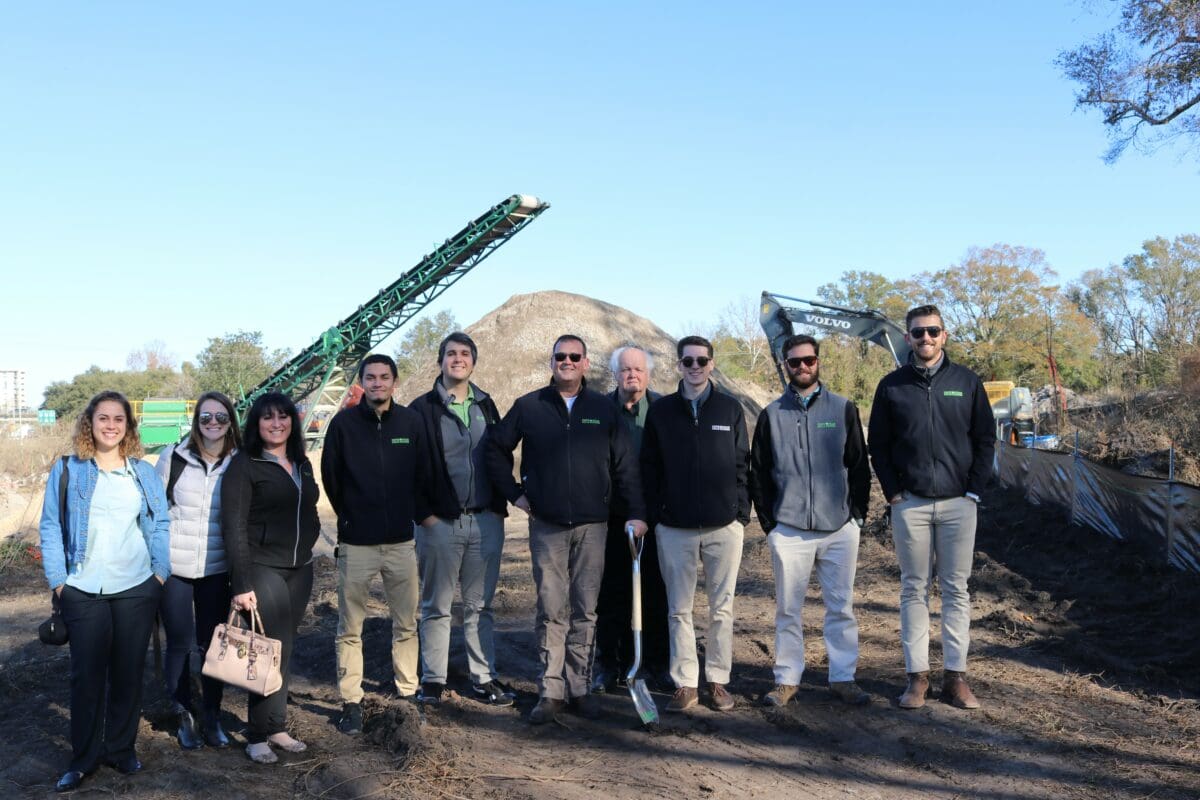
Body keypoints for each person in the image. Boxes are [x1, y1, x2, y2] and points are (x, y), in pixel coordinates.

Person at [486, 334, 647, 724]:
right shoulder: (529, 407)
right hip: (548, 526)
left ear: (586, 363)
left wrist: (635, 512)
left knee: (585, 610)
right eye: (561, 356)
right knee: (551, 608)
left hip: (594, 525)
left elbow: (625, 465)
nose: (568, 362)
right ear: (552, 362)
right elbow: (494, 449)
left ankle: (579, 687)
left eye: (575, 356)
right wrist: (515, 494)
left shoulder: (601, 410)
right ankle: (550, 689)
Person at [39, 391, 170, 793]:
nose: (111, 425)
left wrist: (159, 574)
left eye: (119, 419)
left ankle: (120, 749)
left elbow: (160, 522)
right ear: (90, 423)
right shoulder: (68, 469)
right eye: (103, 418)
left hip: (135, 586)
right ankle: (83, 759)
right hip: (82, 587)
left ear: (128, 426)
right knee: (86, 677)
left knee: (129, 672)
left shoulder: (142, 472)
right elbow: (49, 527)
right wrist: (60, 582)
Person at [868, 304, 995, 710]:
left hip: (960, 503)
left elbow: (985, 441)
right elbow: (879, 446)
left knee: (957, 590)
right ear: (907, 337)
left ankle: (955, 678)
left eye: (933, 331)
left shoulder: (967, 382)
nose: (926, 338)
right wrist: (893, 492)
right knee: (914, 589)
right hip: (912, 505)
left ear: (944, 335)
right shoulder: (891, 386)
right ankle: (916, 679)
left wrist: (973, 490)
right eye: (918, 333)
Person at [750, 335, 872, 708]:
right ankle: (786, 679)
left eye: (809, 360)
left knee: (841, 606)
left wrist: (857, 518)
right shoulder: (771, 415)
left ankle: (843, 677)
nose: (802, 367)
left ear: (818, 362)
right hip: (790, 531)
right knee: (789, 609)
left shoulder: (843, 408)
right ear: (784, 365)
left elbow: (858, 466)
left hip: (838, 528)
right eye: (794, 362)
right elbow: (759, 473)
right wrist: (772, 526)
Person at [641, 336, 750, 713]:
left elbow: (742, 466)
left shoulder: (730, 409)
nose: (695, 366)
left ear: (712, 364)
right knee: (679, 609)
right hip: (674, 529)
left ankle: (718, 680)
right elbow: (649, 469)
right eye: (687, 360)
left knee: (722, 609)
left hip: (724, 527)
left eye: (701, 360)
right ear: (678, 365)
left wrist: (741, 514)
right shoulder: (662, 412)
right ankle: (686, 682)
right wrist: (657, 515)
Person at [320, 354, 427, 735]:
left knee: (406, 624)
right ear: (362, 382)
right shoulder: (343, 425)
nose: (378, 383)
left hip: (401, 542)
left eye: (384, 377)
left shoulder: (411, 423)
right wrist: (349, 516)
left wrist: (410, 515)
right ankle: (351, 701)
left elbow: (422, 473)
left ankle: (408, 694)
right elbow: (330, 476)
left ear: (394, 382)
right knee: (350, 627)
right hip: (357, 543)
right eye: (371, 377)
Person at [409, 333, 514, 707]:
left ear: (473, 362)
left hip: (485, 520)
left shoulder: (486, 405)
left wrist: (511, 498)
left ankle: (484, 676)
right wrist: (425, 515)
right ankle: (433, 679)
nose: (458, 359)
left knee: (479, 606)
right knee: (436, 605)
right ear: (440, 361)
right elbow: (410, 468)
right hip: (440, 524)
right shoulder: (420, 409)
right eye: (451, 353)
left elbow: (499, 456)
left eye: (465, 354)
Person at [221, 392, 321, 762]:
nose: (276, 423)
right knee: (266, 651)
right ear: (256, 424)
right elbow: (233, 526)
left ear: (292, 422)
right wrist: (242, 583)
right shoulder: (244, 465)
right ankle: (257, 735)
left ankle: (277, 726)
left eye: (283, 417)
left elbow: (308, 509)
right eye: (267, 418)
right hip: (263, 568)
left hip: (300, 569)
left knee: (286, 648)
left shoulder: (301, 462)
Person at [155, 391, 241, 749]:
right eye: (206, 417)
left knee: (212, 645)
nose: (213, 424)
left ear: (230, 422)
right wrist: (156, 565)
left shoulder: (239, 462)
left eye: (221, 417)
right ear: (197, 421)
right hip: (175, 568)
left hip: (217, 568)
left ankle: (211, 714)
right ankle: (182, 713)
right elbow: (154, 514)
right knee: (178, 643)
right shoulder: (172, 459)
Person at [592, 345, 670, 694]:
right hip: (611, 519)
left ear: (648, 374)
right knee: (611, 596)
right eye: (625, 369)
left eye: (638, 369)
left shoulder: (664, 410)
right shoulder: (599, 410)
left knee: (656, 594)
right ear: (615, 374)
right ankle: (609, 666)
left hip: (654, 519)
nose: (632, 375)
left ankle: (656, 664)